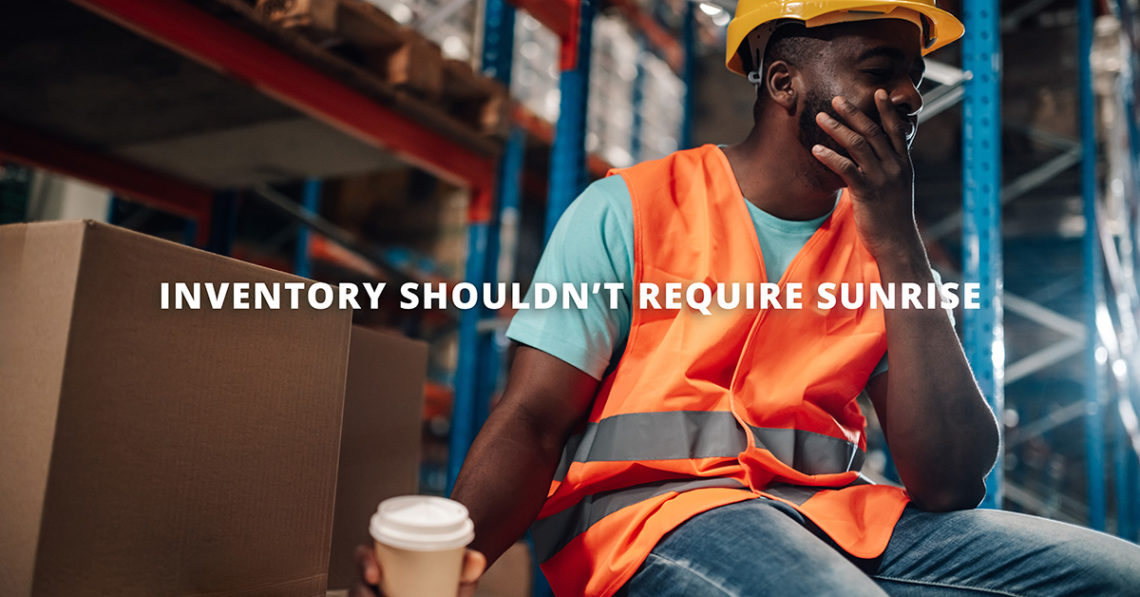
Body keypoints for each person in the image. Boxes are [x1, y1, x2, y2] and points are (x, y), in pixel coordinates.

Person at [354, 1, 1140, 595]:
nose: (907, 96)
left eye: (914, 78)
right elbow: (531, 418)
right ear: (784, 81)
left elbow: (949, 482)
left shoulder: (884, 246)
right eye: (879, 69)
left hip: (833, 519)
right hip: (646, 516)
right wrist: (460, 551)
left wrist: (899, 244)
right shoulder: (630, 206)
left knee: (1117, 575)